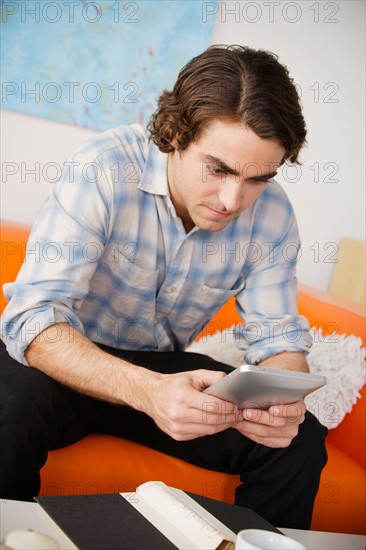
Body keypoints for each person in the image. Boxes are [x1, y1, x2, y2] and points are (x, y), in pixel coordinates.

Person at [0, 44, 327, 528]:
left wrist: (283, 399)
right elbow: (34, 318)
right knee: (10, 403)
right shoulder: (105, 168)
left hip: (161, 371)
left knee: (299, 443)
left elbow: (278, 336)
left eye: (258, 178)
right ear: (175, 134)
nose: (234, 199)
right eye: (218, 169)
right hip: (62, 361)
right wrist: (147, 392)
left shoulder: (273, 215)